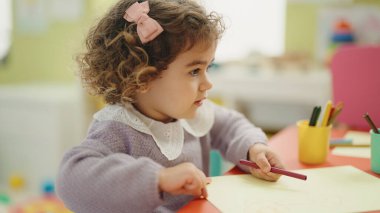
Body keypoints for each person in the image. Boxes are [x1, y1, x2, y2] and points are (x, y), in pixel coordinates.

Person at [56, 0, 285, 212]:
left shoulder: (191, 113)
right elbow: (71, 178)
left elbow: (231, 126)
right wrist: (159, 179)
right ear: (143, 77)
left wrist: (253, 149)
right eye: (194, 71)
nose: (207, 84)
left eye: (208, 68)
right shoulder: (117, 128)